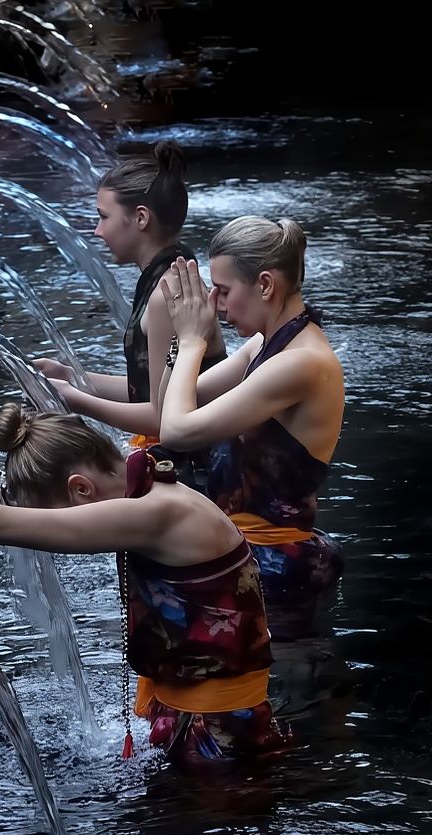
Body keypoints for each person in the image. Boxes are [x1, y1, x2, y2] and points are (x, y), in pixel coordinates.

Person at [0, 403, 288, 765]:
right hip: (189, 708)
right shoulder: (141, 471)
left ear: (81, 491)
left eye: (55, 516)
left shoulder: (156, 514)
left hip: (219, 734)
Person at [156, 216, 346, 636]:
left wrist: (193, 343)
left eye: (223, 291)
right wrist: (181, 339)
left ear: (264, 285)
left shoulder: (303, 363)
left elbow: (176, 432)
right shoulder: (264, 345)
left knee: (286, 695)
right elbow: (168, 408)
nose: (216, 303)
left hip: (275, 566)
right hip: (248, 555)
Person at [35, 142, 226, 489]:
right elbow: (153, 393)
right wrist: (72, 376)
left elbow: (160, 417)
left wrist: (75, 398)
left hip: (194, 479)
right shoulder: (167, 273)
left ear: (140, 218)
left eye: (104, 217)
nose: (97, 230)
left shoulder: (166, 293)